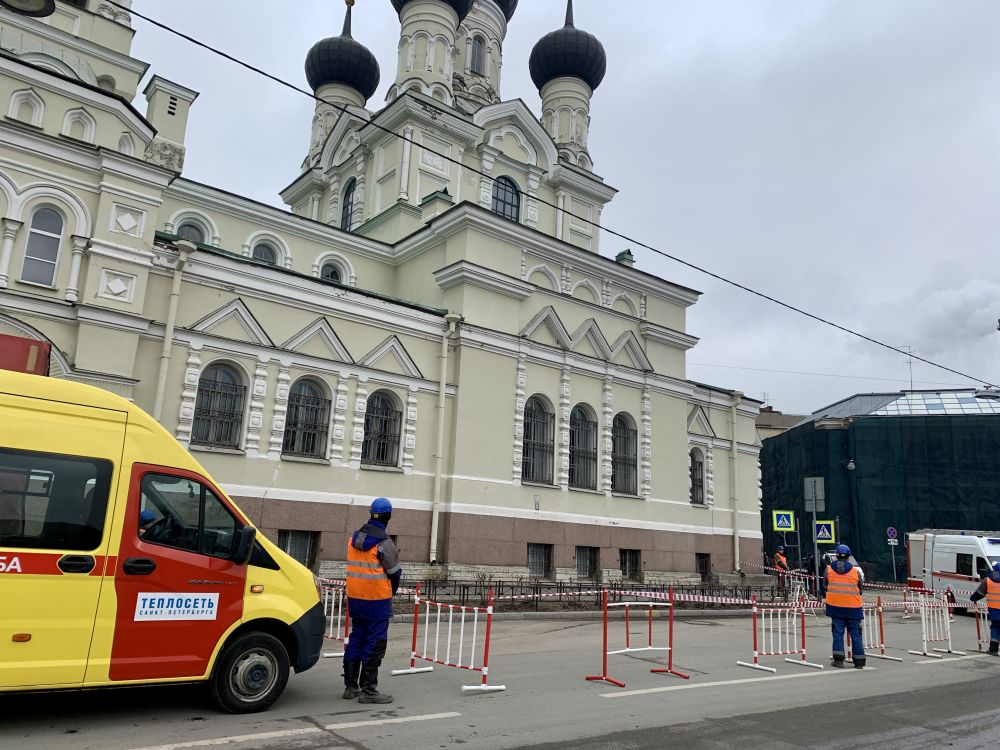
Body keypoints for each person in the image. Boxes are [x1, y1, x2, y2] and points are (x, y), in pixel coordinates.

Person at [343, 497, 402, 704]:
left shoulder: (353, 539)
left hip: (356, 599)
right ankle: (369, 691)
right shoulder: (385, 544)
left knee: (357, 637)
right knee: (375, 642)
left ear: (371, 514)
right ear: (388, 517)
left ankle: (351, 687)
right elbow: (395, 573)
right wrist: (389, 592)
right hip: (377, 601)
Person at [822, 544, 865, 669]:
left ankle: (839, 660)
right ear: (848, 556)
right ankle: (859, 662)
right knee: (856, 635)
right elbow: (860, 589)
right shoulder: (855, 572)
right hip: (854, 609)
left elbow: (825, 586)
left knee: (838, 633)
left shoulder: (828, 570)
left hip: (835, 607)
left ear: (836, 555)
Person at [969, 561, 1000, 655]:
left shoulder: (988, 580)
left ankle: (993, 649)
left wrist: (973, 598)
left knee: (995, 627)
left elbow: (979, 593)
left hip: (994, 610)